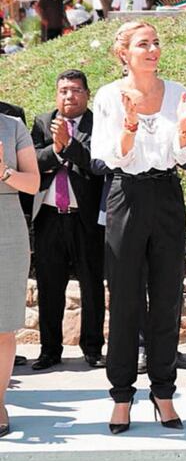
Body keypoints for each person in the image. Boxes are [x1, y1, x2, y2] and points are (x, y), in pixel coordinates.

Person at [92, 21, 186, 434]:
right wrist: (131, 125)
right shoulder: (108, 96)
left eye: (156, 42)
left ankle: (163, 393)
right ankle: (121, 396)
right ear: (124, 53)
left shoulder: (177, 92)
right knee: (124, 300)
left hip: (167, 197)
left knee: (167, 298)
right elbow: (112, 157)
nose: (153, 49)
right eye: (144, 44)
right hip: (127, 196)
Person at [30, 70, 106, 371]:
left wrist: (70, 146)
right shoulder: (41, 121)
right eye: (63, 90)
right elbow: (33, 160)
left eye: (75, 90)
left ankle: (92, 348)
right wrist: (57, 149)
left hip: (85, 218)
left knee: (91, 285)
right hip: (49, 218)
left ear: (87, 94)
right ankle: (49, 350)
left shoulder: (97, 122)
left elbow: (97, 162)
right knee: (49, 287)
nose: (68, 96)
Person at [0, 111, 40, 436]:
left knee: (2, 327)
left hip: (6, 229)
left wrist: (4, 172)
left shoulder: (12, 126)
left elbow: (33, 183)